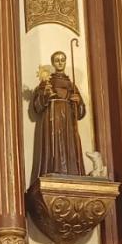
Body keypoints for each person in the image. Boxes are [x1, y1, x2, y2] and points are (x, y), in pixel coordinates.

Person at [30, 50, 86, 179]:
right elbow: (37, 106)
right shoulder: (47, 83)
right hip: (52, 118)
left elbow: (81, 113)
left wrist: (77, 102)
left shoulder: (72, 85)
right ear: (53, 63)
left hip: (68, 121)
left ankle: (72, 172)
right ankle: (53, 169)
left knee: (69, 145)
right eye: (57, 60)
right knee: (54, 145)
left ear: (65, 62)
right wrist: (46, 96)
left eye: (62, 59)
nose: (60, 62)